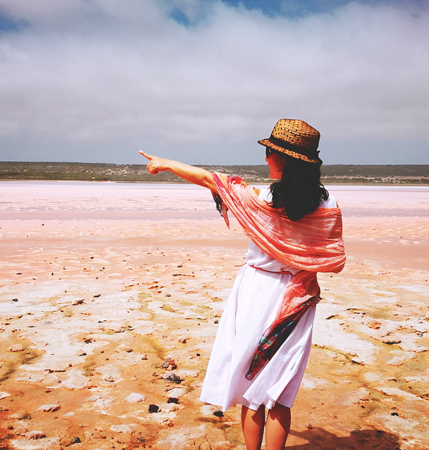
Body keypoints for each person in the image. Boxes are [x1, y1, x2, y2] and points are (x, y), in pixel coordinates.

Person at [140, 119, 345, 450]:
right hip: (298, 298)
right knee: (278, 391)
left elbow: (211, 179)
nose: (265, 159)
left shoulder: (260, 197)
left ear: (284, 159)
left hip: (258, 292)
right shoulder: (328, 204)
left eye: (269, 152)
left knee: (252, 385)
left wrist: (165, 164)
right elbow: (331, 257)